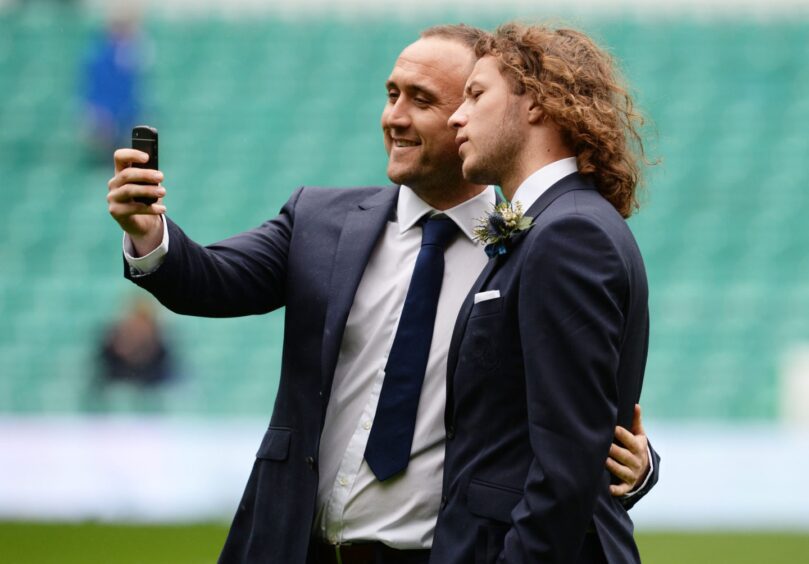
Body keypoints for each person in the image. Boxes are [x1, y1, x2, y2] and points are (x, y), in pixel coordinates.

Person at [106, 24, 657, 564]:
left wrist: (636, 463)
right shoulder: (321, 221)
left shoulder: (526, 242)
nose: (394, 116)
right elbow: (209, 280)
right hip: (303, 546)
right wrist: (147, 231)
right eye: (392, 94)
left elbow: (560, 417)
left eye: (423, 99)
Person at [443, 23, 651, 562]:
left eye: (475, 94)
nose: (455, 116)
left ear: (535, 101)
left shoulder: (569, 233)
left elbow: (568, 458)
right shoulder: (553, 224)